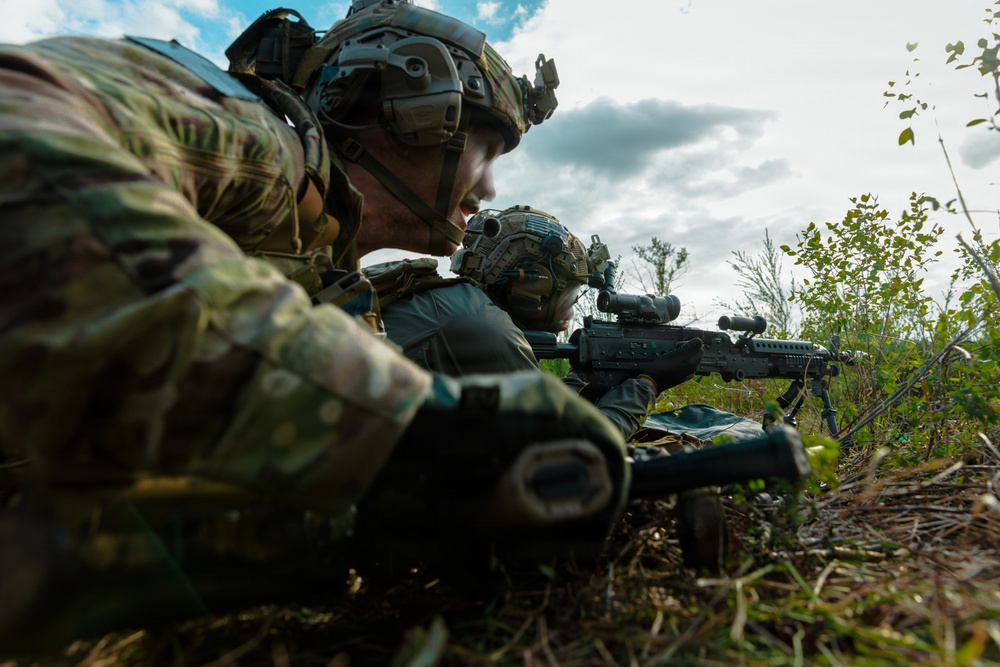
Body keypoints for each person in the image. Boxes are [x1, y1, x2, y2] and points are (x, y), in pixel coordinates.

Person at [0, 0, 706, 649]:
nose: (490, 189)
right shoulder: (254, 132)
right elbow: (18, 133)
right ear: (409, 103)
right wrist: (400, 429)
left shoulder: (331, 279)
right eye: (487, 149)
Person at [375, 205, 705, 441]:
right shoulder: (482, 326)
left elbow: (528, 416)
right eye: (570, 294)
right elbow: (572, 456)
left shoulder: (455, 304)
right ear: (533, 287)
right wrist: (647, 386)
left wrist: (582, 383)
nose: (571, 309)